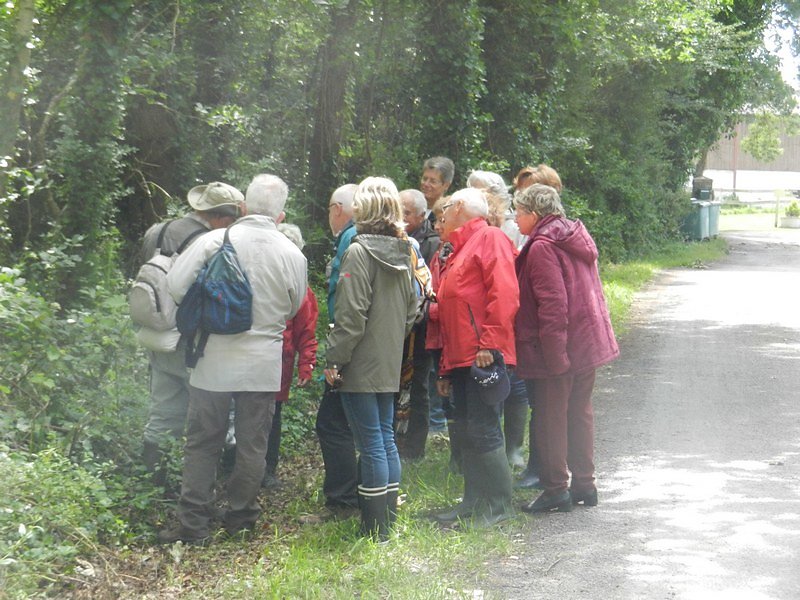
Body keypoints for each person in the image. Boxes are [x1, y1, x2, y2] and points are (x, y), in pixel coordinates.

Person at [157, 174, 307, 544]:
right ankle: (241, 519)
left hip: (212, 360)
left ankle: (193, 524)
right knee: (252, 444)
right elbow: (293, 307)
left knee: (202, 442)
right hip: (263, 365)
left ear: (243, 208)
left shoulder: (213, 240)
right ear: (281, 215)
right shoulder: (292, 253)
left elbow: (175, 287)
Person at [513, 184, 619, 513]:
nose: (515, 219)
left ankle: (556, 488)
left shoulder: (544, 246)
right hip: (587, 343)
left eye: (518, 212)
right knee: (579, 412)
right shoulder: (574, 236)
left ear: (534, 214)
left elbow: (553, 306)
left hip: (561, 348)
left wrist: (555, 357)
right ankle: (585, 485)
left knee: (549, 417)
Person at [324, 176, 418, 539]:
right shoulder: (403, 249)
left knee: (371, 443)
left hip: (361, 362)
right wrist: (392, 341)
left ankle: (375, 528)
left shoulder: (359, 252)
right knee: (385, 437)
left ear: (363, 209)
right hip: (389, 359)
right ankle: (387, 521)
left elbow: (350, 317)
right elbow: (413, 307)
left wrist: (334, 360)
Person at [138, 181, 243, 487]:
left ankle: (151, 485)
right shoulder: (211, 241)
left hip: (156, 335)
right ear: (221, 218)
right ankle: (215, 485)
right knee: (214, 419)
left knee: (162, 413)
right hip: (193, 343)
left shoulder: (157, 231)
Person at [433, 187, 519, 527]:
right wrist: (443, 368)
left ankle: (499, 506)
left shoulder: (490, 238)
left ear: (459, 207)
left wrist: (490, 344)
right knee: (467, 429)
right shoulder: (459, 248)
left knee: (483, 428)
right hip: (459, 358)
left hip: (482, 355)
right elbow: (449, 311)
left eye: (447, 208)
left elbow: (506, 294)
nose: (442, 215)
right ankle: (472, 502)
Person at [466, 171, 530, 470]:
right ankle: (491, 448)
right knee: (491, 377)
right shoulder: (474, 226)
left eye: (479, 191)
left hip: (512, 310)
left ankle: (514, 448)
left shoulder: (512, 228)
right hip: (489, 311)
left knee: (513, 378)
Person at [311, 184, 360, 521]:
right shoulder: (369, 235)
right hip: (368, 347)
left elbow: (347, 302)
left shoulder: (350, 238)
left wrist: (336, 357)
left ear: (337, 208)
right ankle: (358, 495)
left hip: (350, 346)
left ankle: (343, 500)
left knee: (332, 422)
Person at [262, 223, 319, 490]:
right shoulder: (259, 275)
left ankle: (268, 469)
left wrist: (306, 365)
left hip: (279, 361)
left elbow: (306, 330)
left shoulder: (301, 289)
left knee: (272, 416)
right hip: (263, 355)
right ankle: (239, 466)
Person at [395, 189, 441, 458]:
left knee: (418, 387)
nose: (401, 217)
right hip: (396, 328)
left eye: (407, 213)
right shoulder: (394, 238)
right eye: (398, 210)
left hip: (420, 329)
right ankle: (396, 444)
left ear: (422, 216)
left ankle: (414, 449)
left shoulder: (431, 243)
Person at [420, 156, 455, 223]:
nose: (426, 184)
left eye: (433, 181)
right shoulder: (412, 209)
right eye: (424, 179)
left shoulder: (446, 216)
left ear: (446, 185)